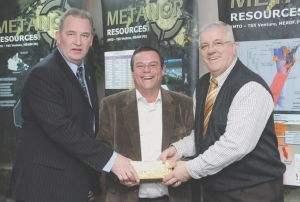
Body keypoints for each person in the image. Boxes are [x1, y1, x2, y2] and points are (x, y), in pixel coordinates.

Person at [10, 8, 139, 202]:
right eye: (71, 34)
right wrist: (113, 160)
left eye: (84, 35)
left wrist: (90, 182)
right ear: (58, 37)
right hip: (43, 187)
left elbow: (88, 127)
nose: (78, 42)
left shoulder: (86, 73)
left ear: (91, 40)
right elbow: (62, 129)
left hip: (75, 184)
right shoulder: (44, 74)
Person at [159, 21, 286, 202]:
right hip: (214, 189)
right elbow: (204, 135)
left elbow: (235, 145)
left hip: (252, 191)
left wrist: (189, 169)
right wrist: (178, 150)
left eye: (218, 43)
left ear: (233, 47)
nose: (211, 50)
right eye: (205, 46)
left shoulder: (250, 87)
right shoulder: (203, 85)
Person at [96, 46, 195, 202]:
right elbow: (101, 148)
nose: (146, 70)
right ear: (132, 71)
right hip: (125, 196)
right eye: (140, 66)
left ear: (163, 69)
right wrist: (117, 172)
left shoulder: (185, 104)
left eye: (153, 65)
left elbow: (196, 146)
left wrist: (184, 170)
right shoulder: (111, 105)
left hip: (173, 196)